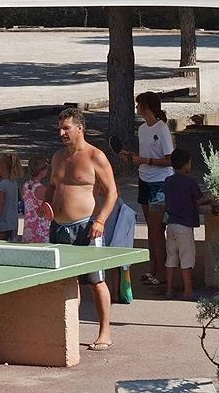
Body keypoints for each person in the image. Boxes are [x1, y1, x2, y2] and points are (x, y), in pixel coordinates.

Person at [44, 107, 118, 351]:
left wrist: (100, 221)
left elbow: (112, 193)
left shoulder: (95, 156)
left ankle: (104, 331)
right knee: (66, 281)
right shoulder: (57, 157)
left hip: (86, 227)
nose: (62, 133)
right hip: (58, 228)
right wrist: (46, 202)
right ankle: (68, 330)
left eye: (66, 128)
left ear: (80, 128)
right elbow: (52, 187)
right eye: (60, 129)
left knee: (96, 281)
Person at [119, 91, 174, 287]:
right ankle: (153, 268)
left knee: (157, 230)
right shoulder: (142, 129)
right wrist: (133, 157)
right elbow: (145, 156)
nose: (136, 108)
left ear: (146, 106)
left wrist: (145, 160)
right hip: (144, 180)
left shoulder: (162, 128)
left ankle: (162, 272)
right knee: (151, 229)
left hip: (161, 183)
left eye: (138, 104)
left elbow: (169, 160)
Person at [163, 148, 211, 301]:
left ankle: (169, 289)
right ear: (186, 165)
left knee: (171, 258)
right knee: (186, 258)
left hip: (171, 225)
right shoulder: (190, 182)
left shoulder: (168, 181)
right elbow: (198, 199)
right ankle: (188, 290)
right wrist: (210, 197)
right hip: (184, 226)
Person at [0, 152, 23, 241]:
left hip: (2, 224)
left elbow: (0, 205)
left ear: (3, 167)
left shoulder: (1, 186)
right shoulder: (13, 183)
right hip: (12, 223)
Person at [21, 156, 51, 244]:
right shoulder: (41, 189)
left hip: (29, 226)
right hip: (41, 227)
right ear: (42, 171)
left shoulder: (26, 185)